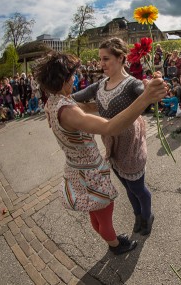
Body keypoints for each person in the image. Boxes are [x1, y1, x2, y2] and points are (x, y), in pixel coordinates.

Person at [34, 51, 166, 254]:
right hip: (90, 173)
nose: (75, 78)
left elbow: (85, 107)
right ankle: (115, 245)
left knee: (95, 213)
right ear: (63, 80)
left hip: (76, 169)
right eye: (72, 76)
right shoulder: (68, 111)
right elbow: (110, 127)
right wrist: (145, 98)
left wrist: (115, 101)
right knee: (104, 214)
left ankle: (110, 238)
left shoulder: (52, 102)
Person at [71, 38, 161, 236]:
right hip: (112, 144)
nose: (101, 64)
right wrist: (57, 97)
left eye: (106, 59)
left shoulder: (132, 84)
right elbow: (74, 97)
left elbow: (148, 95)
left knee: (138, 187)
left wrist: (154, 87)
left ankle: (147, 216)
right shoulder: (100, 85)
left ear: (121, 58)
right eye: (100, 59)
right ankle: (137, 214)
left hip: (131, 145)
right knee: (127, 186)